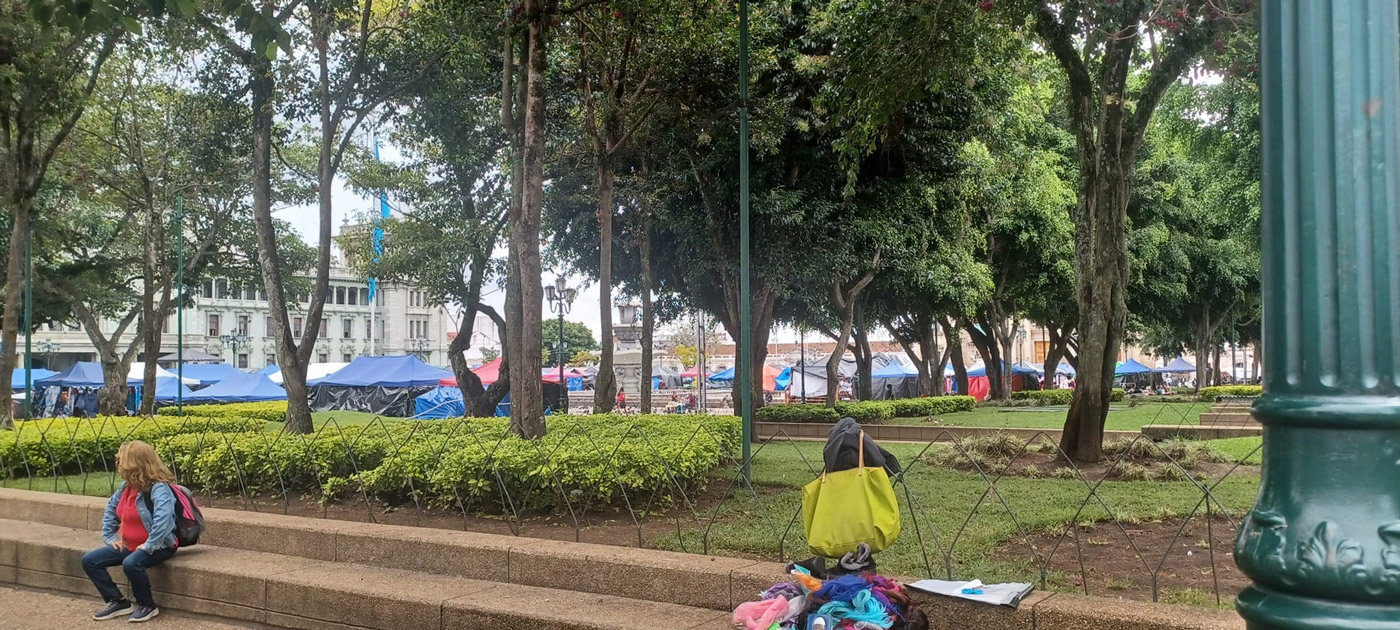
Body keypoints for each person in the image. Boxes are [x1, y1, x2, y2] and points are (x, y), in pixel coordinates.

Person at [83, 441, 180, 623]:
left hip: (159, 545)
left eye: (122, 460)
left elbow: (163, 520)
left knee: (131, 563)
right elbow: (110, 510)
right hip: (131, 545)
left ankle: (147, 605)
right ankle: (118, 601)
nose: (118, 463)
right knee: (90, 560)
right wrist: (110, 537)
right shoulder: (126, 486)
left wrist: (149, 545)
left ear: (135, 463)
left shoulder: (159, 488)